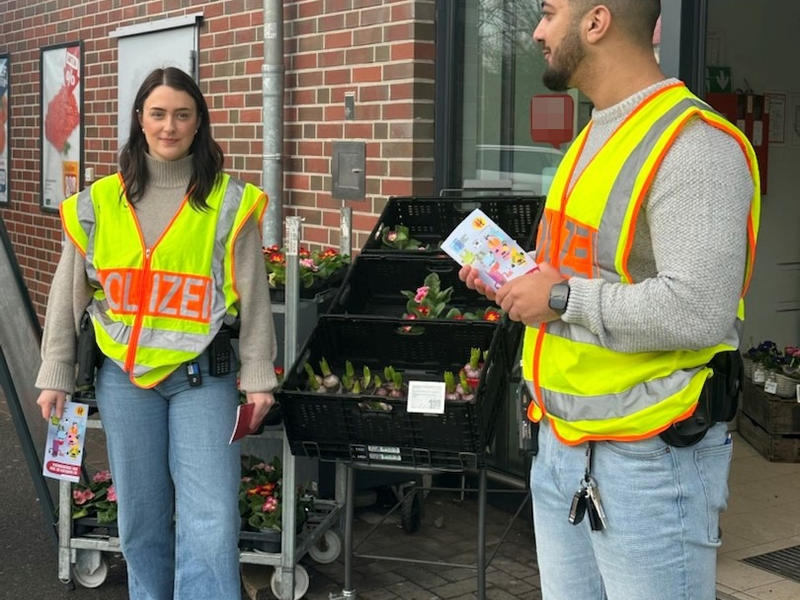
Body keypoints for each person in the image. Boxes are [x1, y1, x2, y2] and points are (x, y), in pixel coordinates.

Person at [459, 1, 760, 599]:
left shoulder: (695, 145)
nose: (538, 32)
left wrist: (563, 297)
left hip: (651, 461)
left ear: (595, 24)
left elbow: (700, 310)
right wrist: (522, 283)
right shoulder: (596, 132)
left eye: (548, 14)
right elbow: (585, 270)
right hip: (564, 445)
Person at [35, 66, 279, 600]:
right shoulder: (97, 203)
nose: (170, 126)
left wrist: (259, 376)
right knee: (141, 518)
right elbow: (67, 293)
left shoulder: (229, 203)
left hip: (203, 380)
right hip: (123, 380)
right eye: (158, 113)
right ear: (140, 121)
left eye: (182, 115)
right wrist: (55, 372)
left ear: (198, 124)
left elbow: (255, 296)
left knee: (210, 517)